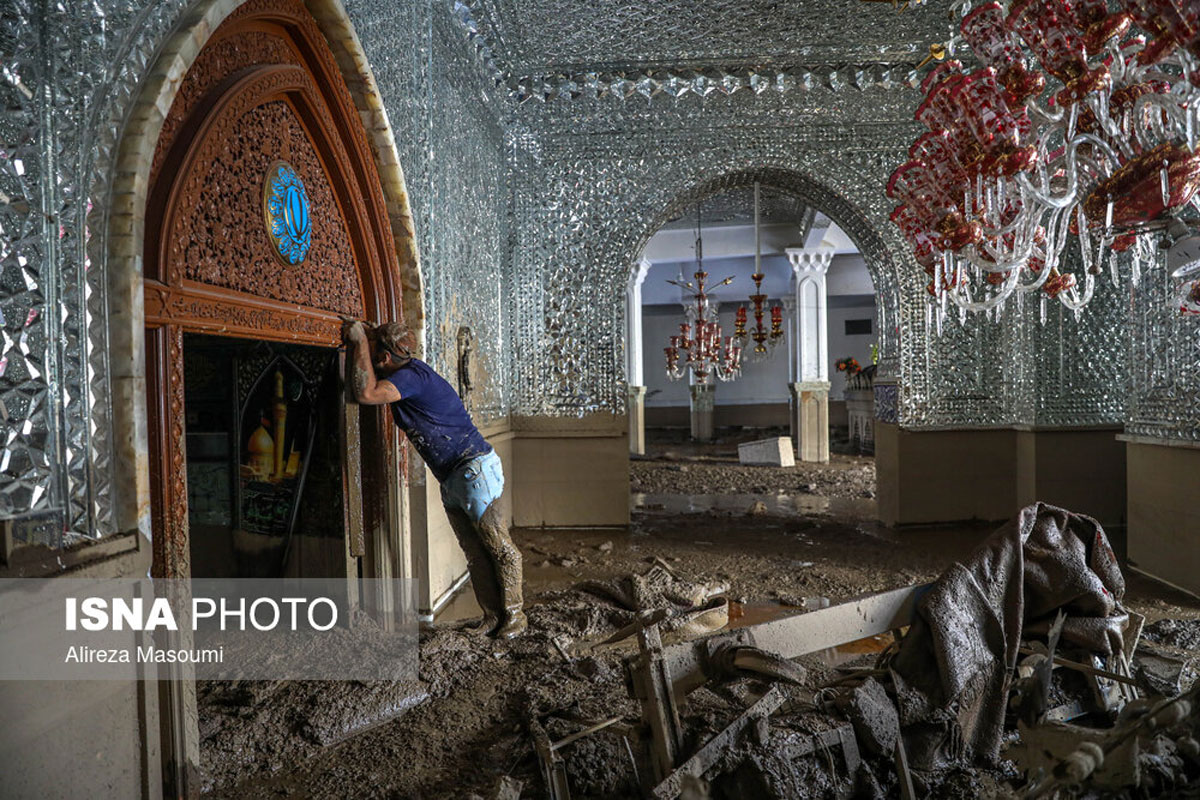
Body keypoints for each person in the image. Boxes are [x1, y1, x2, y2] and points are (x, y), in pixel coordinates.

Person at [343, 320, 527, 638]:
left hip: (473, 471)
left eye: (373, 356)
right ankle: (492, 617)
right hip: (454, 477)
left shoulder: (411, 376)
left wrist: (358, 340)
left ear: (384, 358)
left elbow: (367, 393)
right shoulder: (409, 374)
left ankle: (515, 617)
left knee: (499, 547)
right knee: (476, 554)